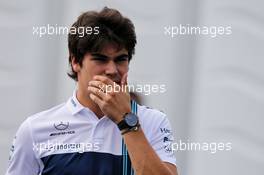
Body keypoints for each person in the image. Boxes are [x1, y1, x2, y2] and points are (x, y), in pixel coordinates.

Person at [6, 7, 178, 175]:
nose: (112, 70)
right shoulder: (34, 129)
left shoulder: (153, 122)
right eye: (100, 59)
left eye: (120, 59)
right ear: (75, 62)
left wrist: (126, 120)